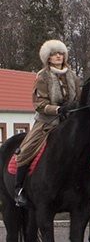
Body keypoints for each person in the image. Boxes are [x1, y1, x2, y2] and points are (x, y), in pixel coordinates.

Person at [13, 40, 80, 206]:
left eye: (60, 53)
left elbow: (78, 98)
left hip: (70, 122)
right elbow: (40, 105)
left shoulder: (73, 76)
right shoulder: (42, 76)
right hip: (47, 122)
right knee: (25, 150)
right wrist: (58, 110)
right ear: (48, 58)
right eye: (53, 54)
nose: (58, 56)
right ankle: (19, 188)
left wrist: (75, 109)